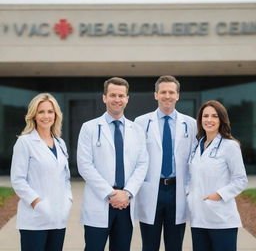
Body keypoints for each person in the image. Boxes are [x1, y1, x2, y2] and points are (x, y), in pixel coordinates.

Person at [77, 77, 148, 251]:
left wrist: (127, 193)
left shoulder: (136, 130)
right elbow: (85, 165)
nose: (117, 99)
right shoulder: (89, 128)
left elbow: (142, 164)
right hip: (99, 200)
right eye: (113, 95)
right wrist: (110, 193)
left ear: (127, 98)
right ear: (104, 97)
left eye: (121, 95)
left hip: (126, 203)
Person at [135, 75, 197, 251]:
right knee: (149, 245)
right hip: (151, 190)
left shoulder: (191, 124)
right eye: (163, 92)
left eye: (171, 92)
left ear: (178, 95)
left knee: (175, 245)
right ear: (155, 95)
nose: (167, 96)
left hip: (177, 190)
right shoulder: (140, 123)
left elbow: (195, 160)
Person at [11, 93, 72, 251]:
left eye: (50, 111)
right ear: (34, 115)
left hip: (58, 218)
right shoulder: (24, 142)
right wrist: (38, 203)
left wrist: (68, 200)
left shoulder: (60, 143)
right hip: (34, 219)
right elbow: (18, 180)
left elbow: (65, 178)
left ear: (56, 115)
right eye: (41, 112)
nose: (46, 116)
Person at [187, 100, 248, 251]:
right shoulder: (197, 145)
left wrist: (219, 195)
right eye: (205, 116)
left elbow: (241, 180)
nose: (209, 120)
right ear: (200, 120)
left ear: (221, 120)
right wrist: (189, 194)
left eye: (214, 116)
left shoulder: (230, 146)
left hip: (221, 219)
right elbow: (192, 176)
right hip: (199, 219)